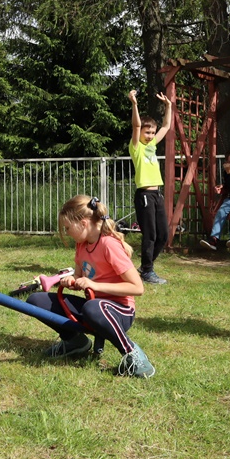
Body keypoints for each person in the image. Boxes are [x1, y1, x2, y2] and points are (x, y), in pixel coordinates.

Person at [27, 195, 154, 377]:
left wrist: (94, 285)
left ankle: (132, 353)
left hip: (119, 312)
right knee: (36, 301)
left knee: (93, 307)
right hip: (93, 306)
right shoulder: (81, 246)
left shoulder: (109, 245)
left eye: (68, 227)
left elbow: (137, 288)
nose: (67, 232)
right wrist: (72, 281)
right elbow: (80, 276)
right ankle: (75, 342)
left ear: (84, 224)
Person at [128, 90, 172, 285]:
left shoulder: (152, 144)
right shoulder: (136, 146)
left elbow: (167, 125)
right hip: (144, 194)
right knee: (151, 234)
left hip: (157, 194)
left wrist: (169, 106)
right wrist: (134, 104)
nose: (150, 135)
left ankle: (145, 267)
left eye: (152, 132)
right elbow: (136, 124)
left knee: (163, 235)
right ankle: (147, 271)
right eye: (147, 132)